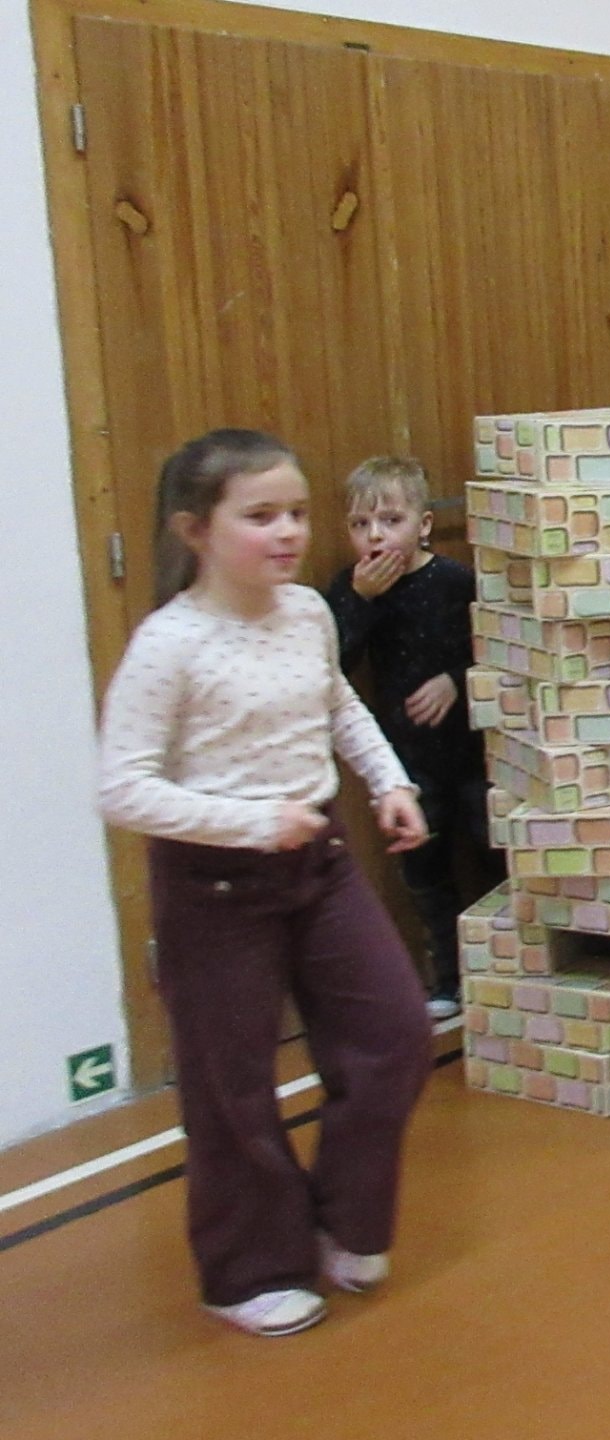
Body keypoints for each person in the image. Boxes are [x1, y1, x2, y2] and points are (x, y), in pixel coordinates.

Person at [96, 430, 433, 1336]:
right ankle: (247, 1270)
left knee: (395, 1035)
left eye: (296, 513)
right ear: (195, 530)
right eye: (260, 516)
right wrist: (250, 824)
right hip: (214, 886)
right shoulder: (170, 643)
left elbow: (338, 705)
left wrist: (390, 782)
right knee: (231, 1087)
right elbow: (123, 787)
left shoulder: (309, 613)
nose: (287, 532)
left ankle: (345, 1220)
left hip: (318, 863)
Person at [323, 457, 497, 1019]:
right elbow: (331, 665)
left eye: (390, 520)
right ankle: (448, 980)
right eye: (360, 524)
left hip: (473, 753)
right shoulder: (349, 590)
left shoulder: (454, 582)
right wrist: (360, 599)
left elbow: (493, 651)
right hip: (408, 761)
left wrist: (455, 681)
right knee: (425, 875)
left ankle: (505, 973)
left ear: (423, 525)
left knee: (492, 856)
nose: (375, 536)